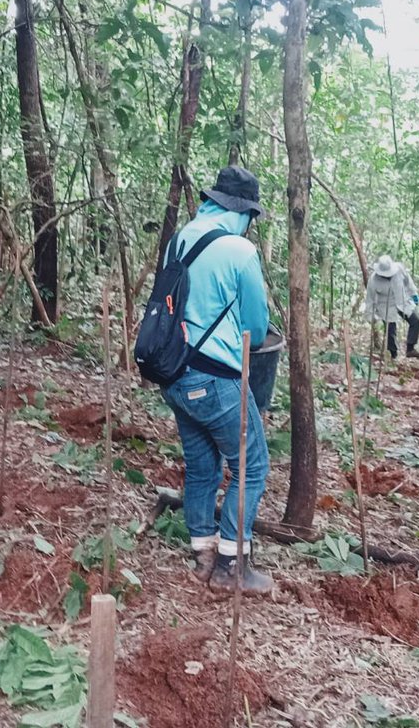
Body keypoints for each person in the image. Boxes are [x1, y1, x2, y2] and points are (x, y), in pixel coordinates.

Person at [159, 165, 273, 595]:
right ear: (243, 212)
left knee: (202, 465)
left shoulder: (182, 237)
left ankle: (202, 552)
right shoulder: (239, 251)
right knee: (252, 465)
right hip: (216, 377)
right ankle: (231, 564)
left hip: (173, 373)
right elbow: (256, 329)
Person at [364, 255, 419, 360]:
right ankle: (393, 355)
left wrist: (414, 294)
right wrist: (371, 316)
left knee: (416, 321)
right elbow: (370, 300)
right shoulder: (373, 280)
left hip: (403, 301)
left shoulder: (399, 269)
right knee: (390, 331)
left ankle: (410, 348)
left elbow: (408, 282)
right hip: (386, 306)